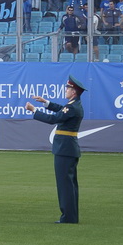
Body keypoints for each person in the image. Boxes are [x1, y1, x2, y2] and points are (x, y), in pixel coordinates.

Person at [26, 75, 85, 223]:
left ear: (74, 91)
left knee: (65, 185)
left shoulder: (72, 106)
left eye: (68, 88)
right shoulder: (73, 105)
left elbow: (54, 119)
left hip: (64, 149)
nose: (66, 90)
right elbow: (61, 110)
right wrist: (46, 102)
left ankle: (68, 217)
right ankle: (71, 216)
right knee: (69, 184)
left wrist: (34, 111)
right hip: (67, 148)